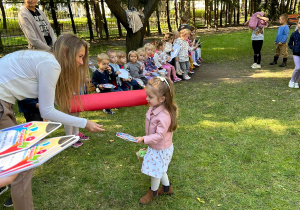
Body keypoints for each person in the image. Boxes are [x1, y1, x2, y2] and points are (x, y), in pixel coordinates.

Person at [0, 34, 105, 210]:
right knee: (21, 166)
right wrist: (84, 123)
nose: (81, 62)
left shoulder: (45, 59)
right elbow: (47, 111)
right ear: (66, 52)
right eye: (79, 56)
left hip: (5, 104)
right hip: (2, 105)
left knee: (17, 164)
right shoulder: (51, 64)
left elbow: (48, 103)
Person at [135, 77, 177, 204]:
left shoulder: (164, 115)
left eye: (150, 97)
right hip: (155, 147)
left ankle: (153, 192)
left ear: (162, 99)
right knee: (160, 168)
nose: (147, 99)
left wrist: (144, 139)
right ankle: (167, 188)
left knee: (155, 172)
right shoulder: (153, 108)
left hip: (161, 149)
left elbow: (159, 135)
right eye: (147, 95)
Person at [288, 16, 300, 88]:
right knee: (298, 68)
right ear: (297, 24)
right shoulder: (294, 34)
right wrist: (294, 48)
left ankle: (296, 82)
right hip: (296, 53)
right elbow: (289, 43)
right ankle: (292, 80)